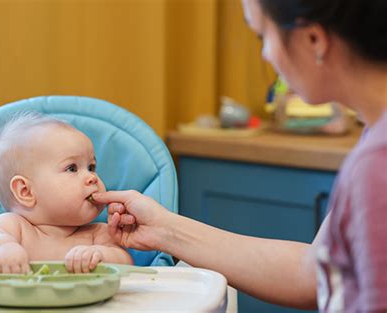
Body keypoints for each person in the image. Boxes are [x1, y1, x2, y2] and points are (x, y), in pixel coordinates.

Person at [91, 0, 387, 312]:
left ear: (314, 40)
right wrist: (163, 229)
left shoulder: (376, 166)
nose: (266, 55)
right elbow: (314, 272)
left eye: (262, 37)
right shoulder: (374, 134)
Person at [0, 112, 133, 274]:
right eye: (72, 168)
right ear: (25, 191)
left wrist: (101, 255)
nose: (92, 177)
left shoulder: (98, 234)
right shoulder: (13, 228)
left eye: (91, 167)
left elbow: (127, 264)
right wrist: (3, 249)